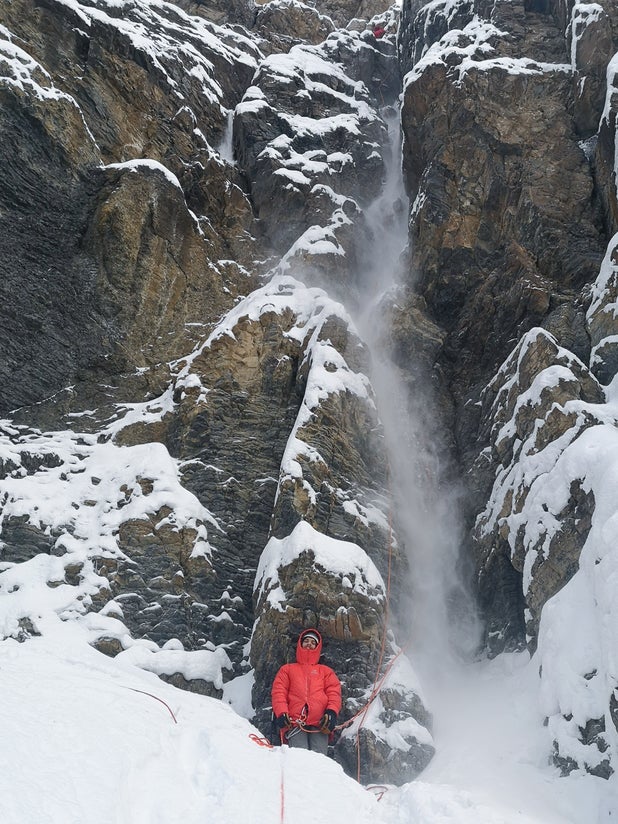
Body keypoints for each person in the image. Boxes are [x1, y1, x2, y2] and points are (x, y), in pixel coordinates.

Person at [271, 628, 341, 754]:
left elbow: (334, 693)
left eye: (313, 642)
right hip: (295, 722)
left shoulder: (326, 672)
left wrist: (331, 713)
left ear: (318, 647)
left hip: (320, 723)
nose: (309, 644)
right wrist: (281, 712)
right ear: (300, 644)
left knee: (319, 760)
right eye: (306, 641)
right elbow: (279, 692)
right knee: (299, 757)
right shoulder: (287, 670)